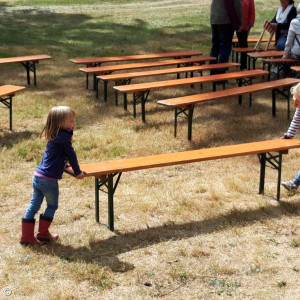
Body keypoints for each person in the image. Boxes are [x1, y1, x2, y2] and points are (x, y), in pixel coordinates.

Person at [20, 106, 85, 245]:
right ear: (59, 122)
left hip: (38, 176)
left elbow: (53, 155)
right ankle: (43, 234)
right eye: (71, 121)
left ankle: (26, 237)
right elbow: (71, 154)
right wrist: (77, 172)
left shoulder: (54, 134)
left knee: (33, 206)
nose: (74, 123)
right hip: (49, 181)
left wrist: (62, 164)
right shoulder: (63, 137)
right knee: (52, 206)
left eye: (74, 120)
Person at [209, 0, 242, 74]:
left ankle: (212, 73)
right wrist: (239, 22)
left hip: (214, 19)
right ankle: (221, 75)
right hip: (225, 20)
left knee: (215, 47)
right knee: (225, 48)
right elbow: (237, 6)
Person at [266, 0, 296, 78]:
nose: (281, 0)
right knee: (280, 45)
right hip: (281, 36)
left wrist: (277, 25)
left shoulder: (292, 10)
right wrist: (269, 24)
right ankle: (277, 68)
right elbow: (274, 20)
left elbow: (290, 24)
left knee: (281, 45)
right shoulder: (280, 10)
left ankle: (281, 69)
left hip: (290, 35)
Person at [281, 82, 300, 191]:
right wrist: (289, 135)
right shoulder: (299, 110)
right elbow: (295, 122)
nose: (293, 100)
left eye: (296, 100)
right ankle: (294, 184)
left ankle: (295, 183)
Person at [236, 0, 255, 70]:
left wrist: (250, 25)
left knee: (244, 45)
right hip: (235, 24)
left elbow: (252, 11)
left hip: (244, 26)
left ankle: (243, 65)